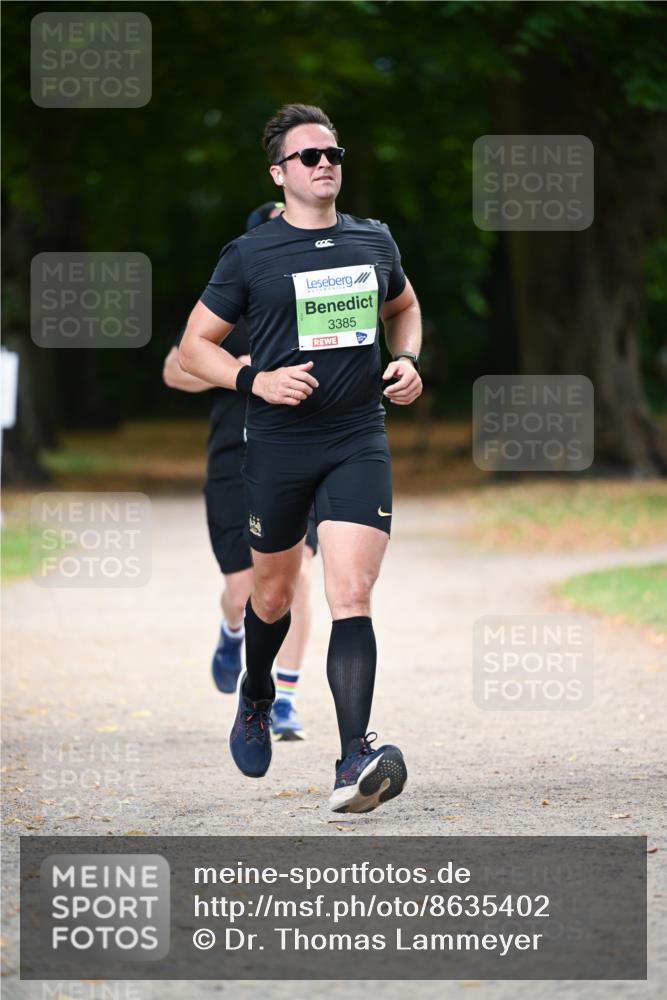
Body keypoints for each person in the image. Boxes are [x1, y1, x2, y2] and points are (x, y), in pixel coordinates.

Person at [180, 104, 423, 813]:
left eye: (333, 154)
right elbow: (196, 345)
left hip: (357, 437)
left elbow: (403, 308)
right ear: (279, 173)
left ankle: (353, 761)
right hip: (281, 445)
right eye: (309, 156)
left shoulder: (373, 242)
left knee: (350, 594)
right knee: (273, 595)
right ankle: (257, 692)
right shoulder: (249, 254)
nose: (325, 164)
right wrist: (253, 380)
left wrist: (406, 360)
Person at [163, 201, 316, 740]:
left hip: (302, 455)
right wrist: (238, 371)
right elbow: (174, 371)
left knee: (293, 581)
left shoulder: (315, 301)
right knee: (245, 590)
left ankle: (287, 699)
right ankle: (233, 630)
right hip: (235, 460)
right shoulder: (229, 303)